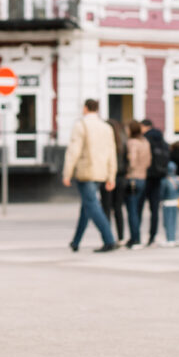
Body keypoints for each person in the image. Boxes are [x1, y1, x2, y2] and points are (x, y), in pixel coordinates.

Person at [63, 98, 119, 253]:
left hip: (86, 171)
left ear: (86, 108)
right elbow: (111, 153)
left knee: (92, 205)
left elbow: (74, 151)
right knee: (87, 206)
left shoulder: (81, 125)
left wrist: (67, 173)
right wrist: (111, 176)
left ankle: (109, 240)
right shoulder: (106, 127)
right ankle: (76, 241)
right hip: (101, 172)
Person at [141, 118, 169, 246]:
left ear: (145, 127)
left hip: (146, 176)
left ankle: (137, 236)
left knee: (138, 207)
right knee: (155, 209)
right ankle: (152, 235)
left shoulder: (145, 139)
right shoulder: (162, 140)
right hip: (159, 176)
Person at [103, 117, 128, 243]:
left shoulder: (107, 143)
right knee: (118, 208)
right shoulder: (123, 141)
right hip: (121, 177)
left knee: (106, 208)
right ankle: (121, 237)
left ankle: (108, 238)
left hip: (108, 178)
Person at [124, 121, 148, 248]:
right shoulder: (145, 142)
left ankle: (135, 238)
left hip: (133, 179)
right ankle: (137, 236)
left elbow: (132, 161)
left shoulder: (132, 142)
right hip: (143, 177)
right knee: (138, 210)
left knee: (132, 211)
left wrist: (128, 171)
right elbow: (148, 161)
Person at [160, 161, 179, 246]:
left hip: (167, 202)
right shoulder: (177, 180)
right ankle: (173, 238)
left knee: (167, 222)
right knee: (174, 221)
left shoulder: (165, 181)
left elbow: (162, 192)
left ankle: (169, 239)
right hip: (175, 202)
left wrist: (161, 200)